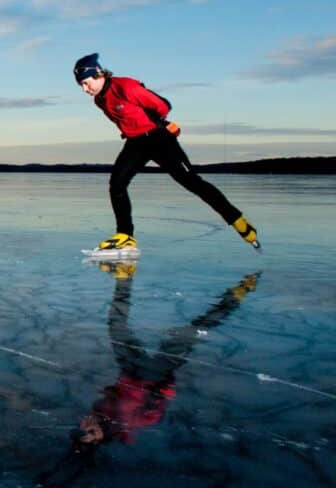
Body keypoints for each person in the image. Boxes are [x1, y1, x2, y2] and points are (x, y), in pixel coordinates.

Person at [73, 53, 259, 252]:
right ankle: (125, 235)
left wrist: (161, 125)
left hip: (159, 139)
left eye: (86, 83)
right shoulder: (100, 100)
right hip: (136, 143)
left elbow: (163, 105)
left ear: (99, 74)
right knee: (117, 184)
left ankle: (239, 221)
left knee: (192, 182)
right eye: (81, 85)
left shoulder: (127, 87)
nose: (85, 89)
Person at [72, 263, 260, 449]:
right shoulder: (129, 424)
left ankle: (124, 276)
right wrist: (160, 389)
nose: (90, 429)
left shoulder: (97, 412)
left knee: (116, 326)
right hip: (154, 375)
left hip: (129, 371)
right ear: (101, 438)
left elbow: (114, 393)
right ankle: (239, 293)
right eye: (92, 434)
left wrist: (101, 411)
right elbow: (157, 410)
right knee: (193, 330)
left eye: (85, 431)